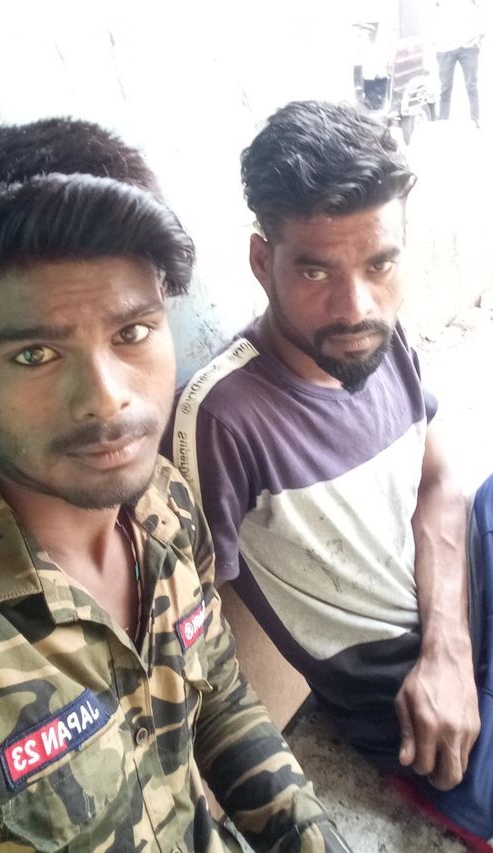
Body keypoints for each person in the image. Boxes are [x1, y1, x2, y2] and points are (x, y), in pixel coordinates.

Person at [0, 118, 351, 852]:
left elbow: (219, 695)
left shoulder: (165, 501)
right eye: (36, 354)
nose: (106, 399)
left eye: (132, 333)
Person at [167, 101, 492, 846]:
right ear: (262, 261)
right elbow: (186, 642)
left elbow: (442, 476)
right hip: (410, 696)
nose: (355, 306)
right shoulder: (221, 419)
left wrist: (450, 642)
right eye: (315, 269)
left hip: (461, 607)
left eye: (380, 264)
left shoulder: (382, 336)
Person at [434, 0, 485, 127]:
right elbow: (430, 12)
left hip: (468, 45)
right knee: (445, 89)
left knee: (471, 86)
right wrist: (434, 40)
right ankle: (443, 123)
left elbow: (483, 8)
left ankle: (475, 121)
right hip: (445, 47)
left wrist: (480, 35)